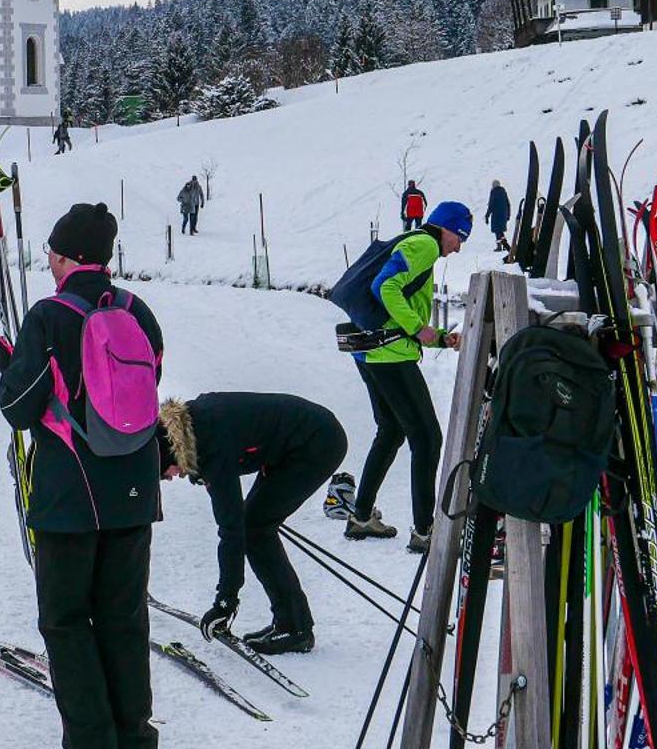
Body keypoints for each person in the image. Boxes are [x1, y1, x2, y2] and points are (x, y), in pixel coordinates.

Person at [0, 200, 163, 749]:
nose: (47, 260)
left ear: (67, 256)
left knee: (67, 621)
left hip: (71, 491)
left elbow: (18, 408)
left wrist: (8, 366)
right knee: (124, 617)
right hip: (136, 487)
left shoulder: (49, 314)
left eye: (52, 251)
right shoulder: (139, 310)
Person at [155, 393, 347, 654]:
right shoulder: (192, 427)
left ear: (169, 453)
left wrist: (225, 601)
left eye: (167, 474)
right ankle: (290, 621)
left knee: (254, 530)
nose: (173, 477)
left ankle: (295, 628)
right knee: (255, 526)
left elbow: (231, 529)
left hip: (317, 442)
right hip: (292, 442)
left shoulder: (212, 446)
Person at [346, 201, 469, 553]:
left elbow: (399, 302)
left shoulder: (414, 242)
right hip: (390, 356)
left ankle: (362, 515)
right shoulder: (424, 245)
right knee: (427, 438)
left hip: (372, 351)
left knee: (391, 431)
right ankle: (425, 531)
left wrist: (440, 337)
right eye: (459, 237)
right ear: (444, 228)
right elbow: (385, 287)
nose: (458, 246)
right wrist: (418, 327)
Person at [485, 180, 512, 253]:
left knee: (497, 230)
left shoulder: (494, 192)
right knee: (500, 230)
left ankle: (499, 246)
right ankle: (504, 245)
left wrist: (487, 215)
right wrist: (508, 214)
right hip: (504, 214)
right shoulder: (503, 192)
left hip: (496, 215)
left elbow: (491, 204)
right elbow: (508, 203)